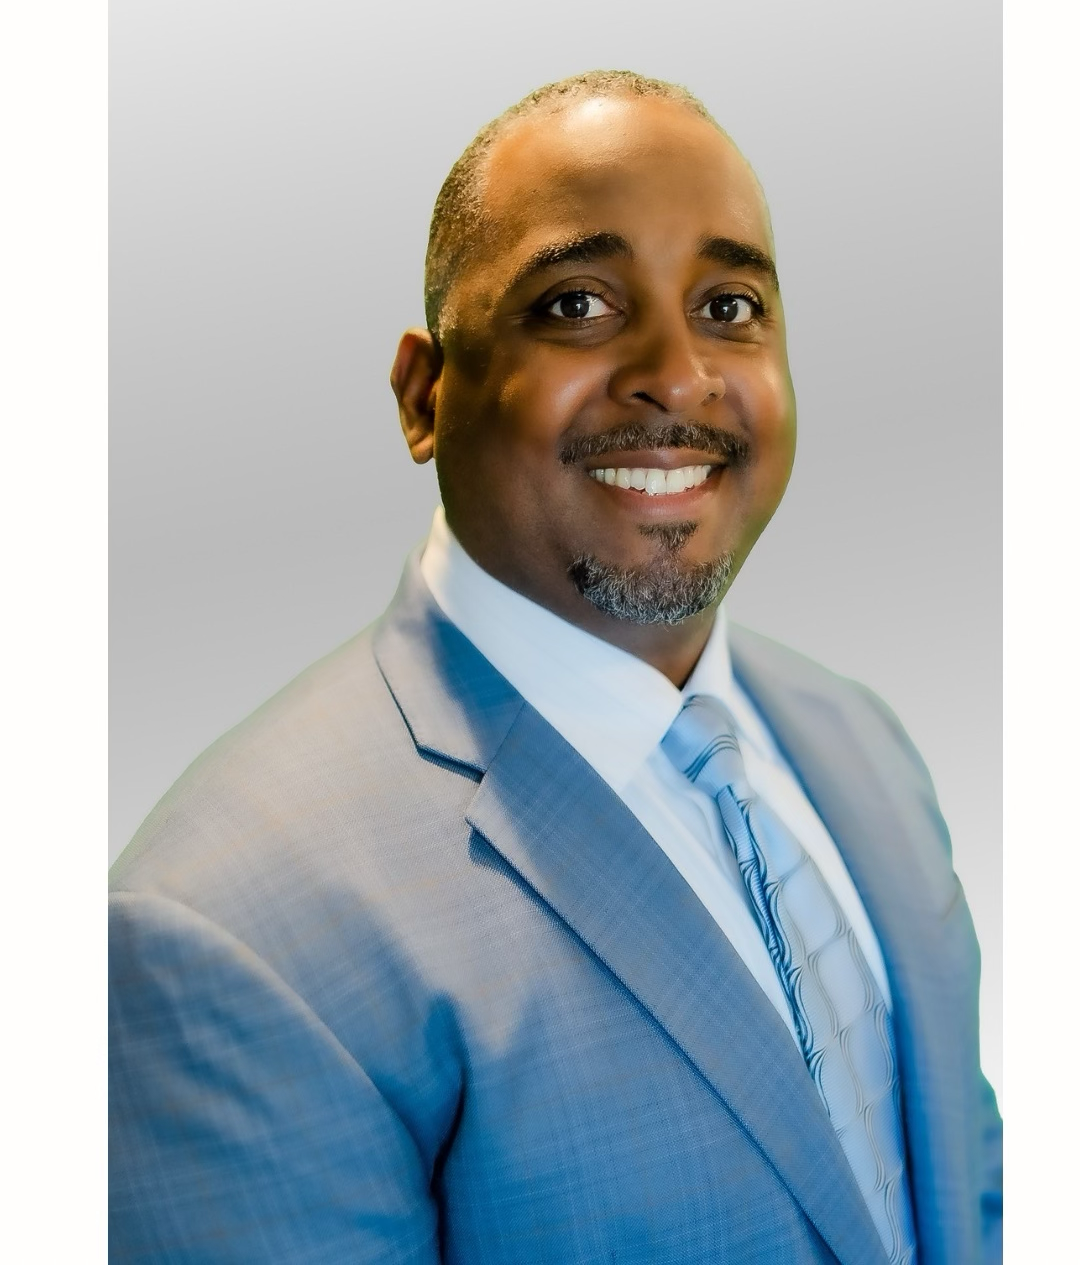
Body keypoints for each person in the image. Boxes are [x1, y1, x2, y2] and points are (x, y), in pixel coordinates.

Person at [110, 70, 1002, 1264]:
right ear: (425, 396)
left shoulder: (862, 747)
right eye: (576, 304)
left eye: (730, 305)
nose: (679, 374)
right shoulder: (222, 939)